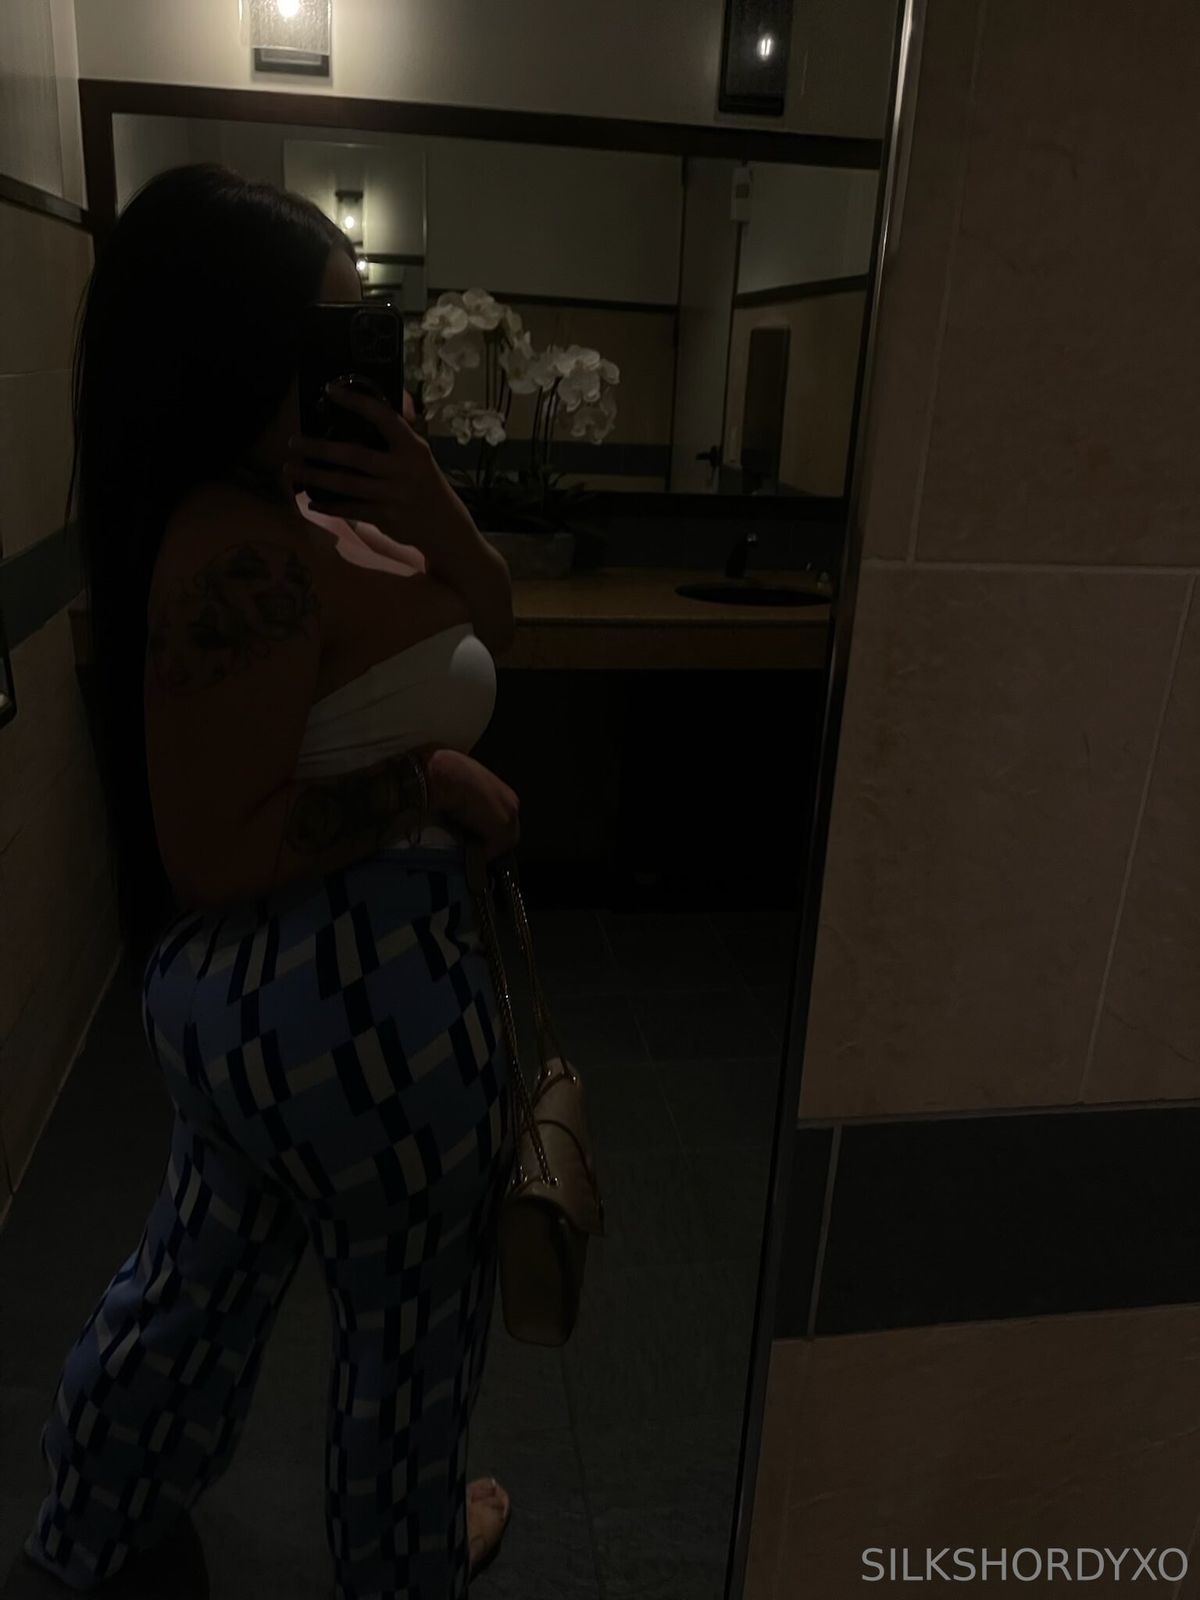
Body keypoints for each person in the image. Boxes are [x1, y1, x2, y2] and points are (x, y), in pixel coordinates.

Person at [13, 164, 523, 1599]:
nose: (362, 365)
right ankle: (406, 1557)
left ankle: (94, 1524)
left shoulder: (320, 507)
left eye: (366, 328)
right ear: (235, 349)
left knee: (198, 1283)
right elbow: (217, 846)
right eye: (328, 335)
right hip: (357, 1006)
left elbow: (495, 617)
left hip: (278, 1018)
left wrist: (433, 504)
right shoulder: (233, 544)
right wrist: (426, 783)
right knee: (406, 1336)